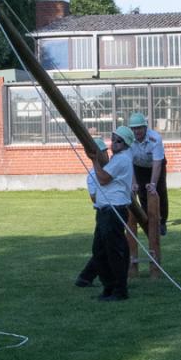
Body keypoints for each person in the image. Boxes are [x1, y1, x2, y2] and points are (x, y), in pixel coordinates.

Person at [88, 126, 135, 301]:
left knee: (113, 252)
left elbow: (102, 178)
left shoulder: (122, 159)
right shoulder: (117, 158)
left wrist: (95, 161)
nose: (114, 143)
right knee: (99, 251)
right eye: (113, 139)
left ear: (126, 144)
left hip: (113, 210)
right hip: (105, 210)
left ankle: (119, 290)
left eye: (119, 141)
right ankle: (109, 287)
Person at [127, 112, 168, 236]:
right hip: (139, 166)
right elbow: (129, 162)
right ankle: (147, 221)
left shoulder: (155, 139)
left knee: (159, 191)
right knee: (142, 192)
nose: (136, 131)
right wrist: (133, 183)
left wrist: (153, 184)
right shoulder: (128, 140)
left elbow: (157, 163)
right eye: (134, 128)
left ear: (145, 127)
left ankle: (162, 222)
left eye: (139, 128)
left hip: (155, 164)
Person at [75, 138, 108, 287]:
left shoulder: (112, 168)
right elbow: (94, 197)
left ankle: (87, 277)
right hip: (103, 212)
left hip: (113, 212)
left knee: (106, 248)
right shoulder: (93, 175)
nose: (105, 155)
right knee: (103, 249)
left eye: (105, 152)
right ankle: (86, 277)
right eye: (101, 153)